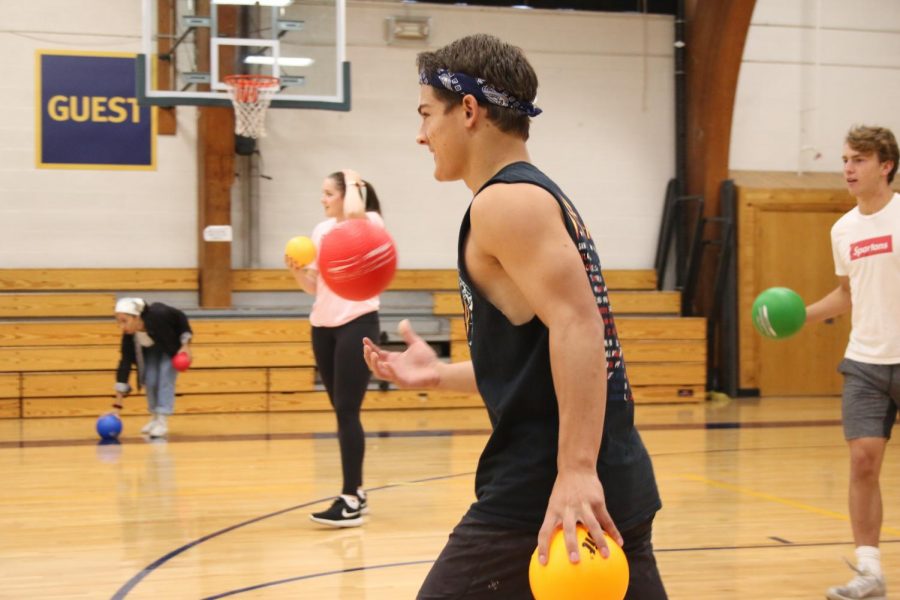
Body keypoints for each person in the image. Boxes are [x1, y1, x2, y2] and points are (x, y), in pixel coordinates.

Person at [362, 34, 667, 598]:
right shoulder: (536, 198)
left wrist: (574, 469)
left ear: (470, 112)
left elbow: (581, 326)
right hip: (605, 477)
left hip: (546, 487)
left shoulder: (506, 203)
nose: (421, 133)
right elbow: (538, 357)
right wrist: (437, 375)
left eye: (428, 114)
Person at [806, 125, 899, 600]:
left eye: (859, 160)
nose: (848, 168)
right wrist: (803, 315)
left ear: (886, 166)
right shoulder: (842, 229)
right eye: (845, 159)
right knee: (863, 461)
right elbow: (847, 293)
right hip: (864, 359)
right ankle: (869, 571)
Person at [286, 168, 384, 528]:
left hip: (357, 323)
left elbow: (356, 217)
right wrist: (298, 270)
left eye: (329, 193)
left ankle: (350, 498)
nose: (323, 199)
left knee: (347, 410)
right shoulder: (321, 230)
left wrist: (355, 180)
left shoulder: (370, 221)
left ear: (349, 195)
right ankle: (355, 493)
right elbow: (314, 286)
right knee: (341, 412)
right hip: (322, 327)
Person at [112, 297, 193, 438]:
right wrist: (117, 407)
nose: (121, 326)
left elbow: (181, 317)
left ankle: (162, 420)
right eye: (118, 322)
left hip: (170, 347)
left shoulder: (159, 314)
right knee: (150, 379)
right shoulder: (129, 337)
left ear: (136, 317)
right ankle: (154, 418)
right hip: (151, 350)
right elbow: (124, 363)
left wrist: (185, 344)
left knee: (165, 376)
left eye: (124, 321)